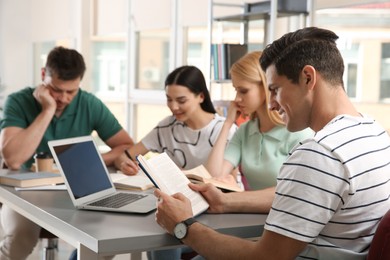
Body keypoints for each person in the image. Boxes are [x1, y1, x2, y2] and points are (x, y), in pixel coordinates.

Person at [153, 27, 390, 259]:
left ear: (308, 78)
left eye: (275, 90)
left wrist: (183, 225)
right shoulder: (375, 133)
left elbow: (265, 257)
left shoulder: (319, 153)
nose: (272, 103)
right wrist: (225, 201)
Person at [0, 46, 134, 259]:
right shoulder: (18, 101)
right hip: (24, 193)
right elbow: (14, 160)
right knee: (19, 237)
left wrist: (85, 160)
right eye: (56, 90)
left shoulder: (89, 103)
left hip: (76, 188)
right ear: (44, 75)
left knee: (105, 239)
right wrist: (47, 110)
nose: (63, 98)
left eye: (71, 91)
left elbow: (126, 145)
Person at [114, 65, 237, 260]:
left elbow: (225, 180)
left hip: (212, 211)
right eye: (169, 100)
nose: (173, 107)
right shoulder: (167, 126)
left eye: (181, 100)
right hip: (174, 207)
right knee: (155, 233)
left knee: (163, 236)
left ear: (201, 97)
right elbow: (126, 155)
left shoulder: (223, 130)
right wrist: (123, 163)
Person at [205, 51, 312, 191]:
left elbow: (295, 191)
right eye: (236, 90)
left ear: (267, 87)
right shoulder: (245, 131)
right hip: (249, 211)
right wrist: (227, 124)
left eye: (243, 91)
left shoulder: (298, 133)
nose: (237, 99)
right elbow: (213, 176)